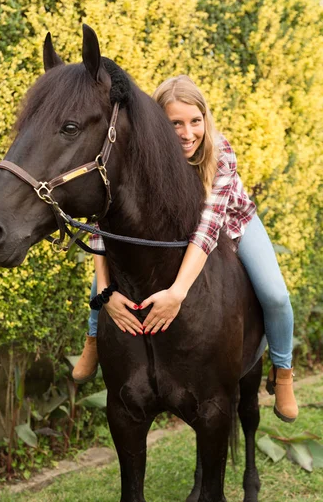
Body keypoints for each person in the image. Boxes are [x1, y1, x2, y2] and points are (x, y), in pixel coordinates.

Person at [72, 75, 298, 423]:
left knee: (276, 294)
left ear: (205, 119)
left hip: (231, 223)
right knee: (102, 284)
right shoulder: (140, 155)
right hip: (177, 229)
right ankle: (91, 340)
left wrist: (177, 293)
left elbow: (207, 230)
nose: (188, 133)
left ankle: (283, 371)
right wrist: (105, 290)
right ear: (158, 123)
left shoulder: (220, 153)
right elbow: (106, 221)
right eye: (175, 123)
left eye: (195, 121)